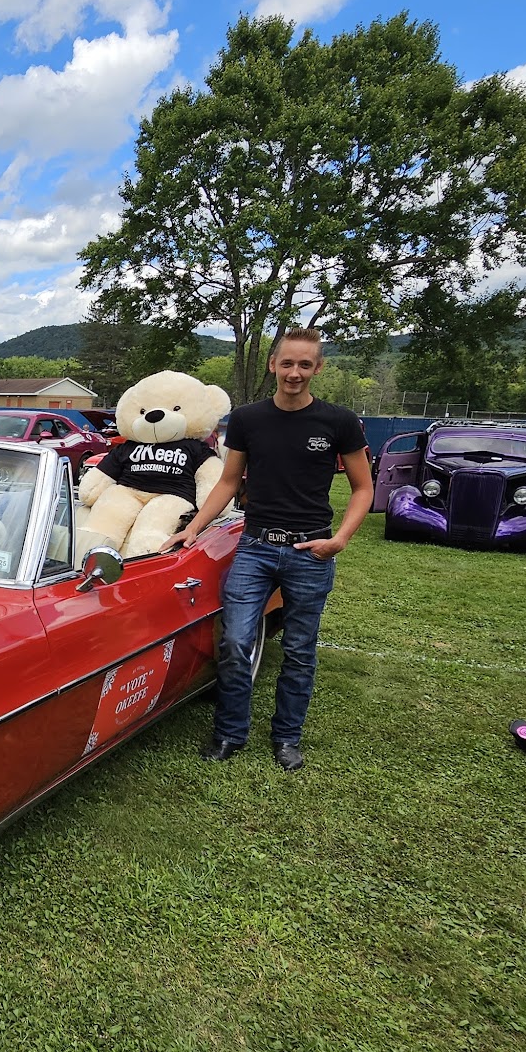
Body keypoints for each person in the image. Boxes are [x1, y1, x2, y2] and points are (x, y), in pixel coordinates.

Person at [162, 329, 373, 772]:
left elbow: (363, 488)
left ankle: (287, 738)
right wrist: (194, 528)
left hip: (310, 551)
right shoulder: (247, 419)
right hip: (255, 547)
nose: (294, 373)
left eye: (305, 365)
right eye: (287, 363)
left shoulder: (339, 421)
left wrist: (340, 540)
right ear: (273, 365)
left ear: (318, 368)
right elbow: (228, 482)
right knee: (236, 641)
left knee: (299, 650)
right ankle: (229, 732)